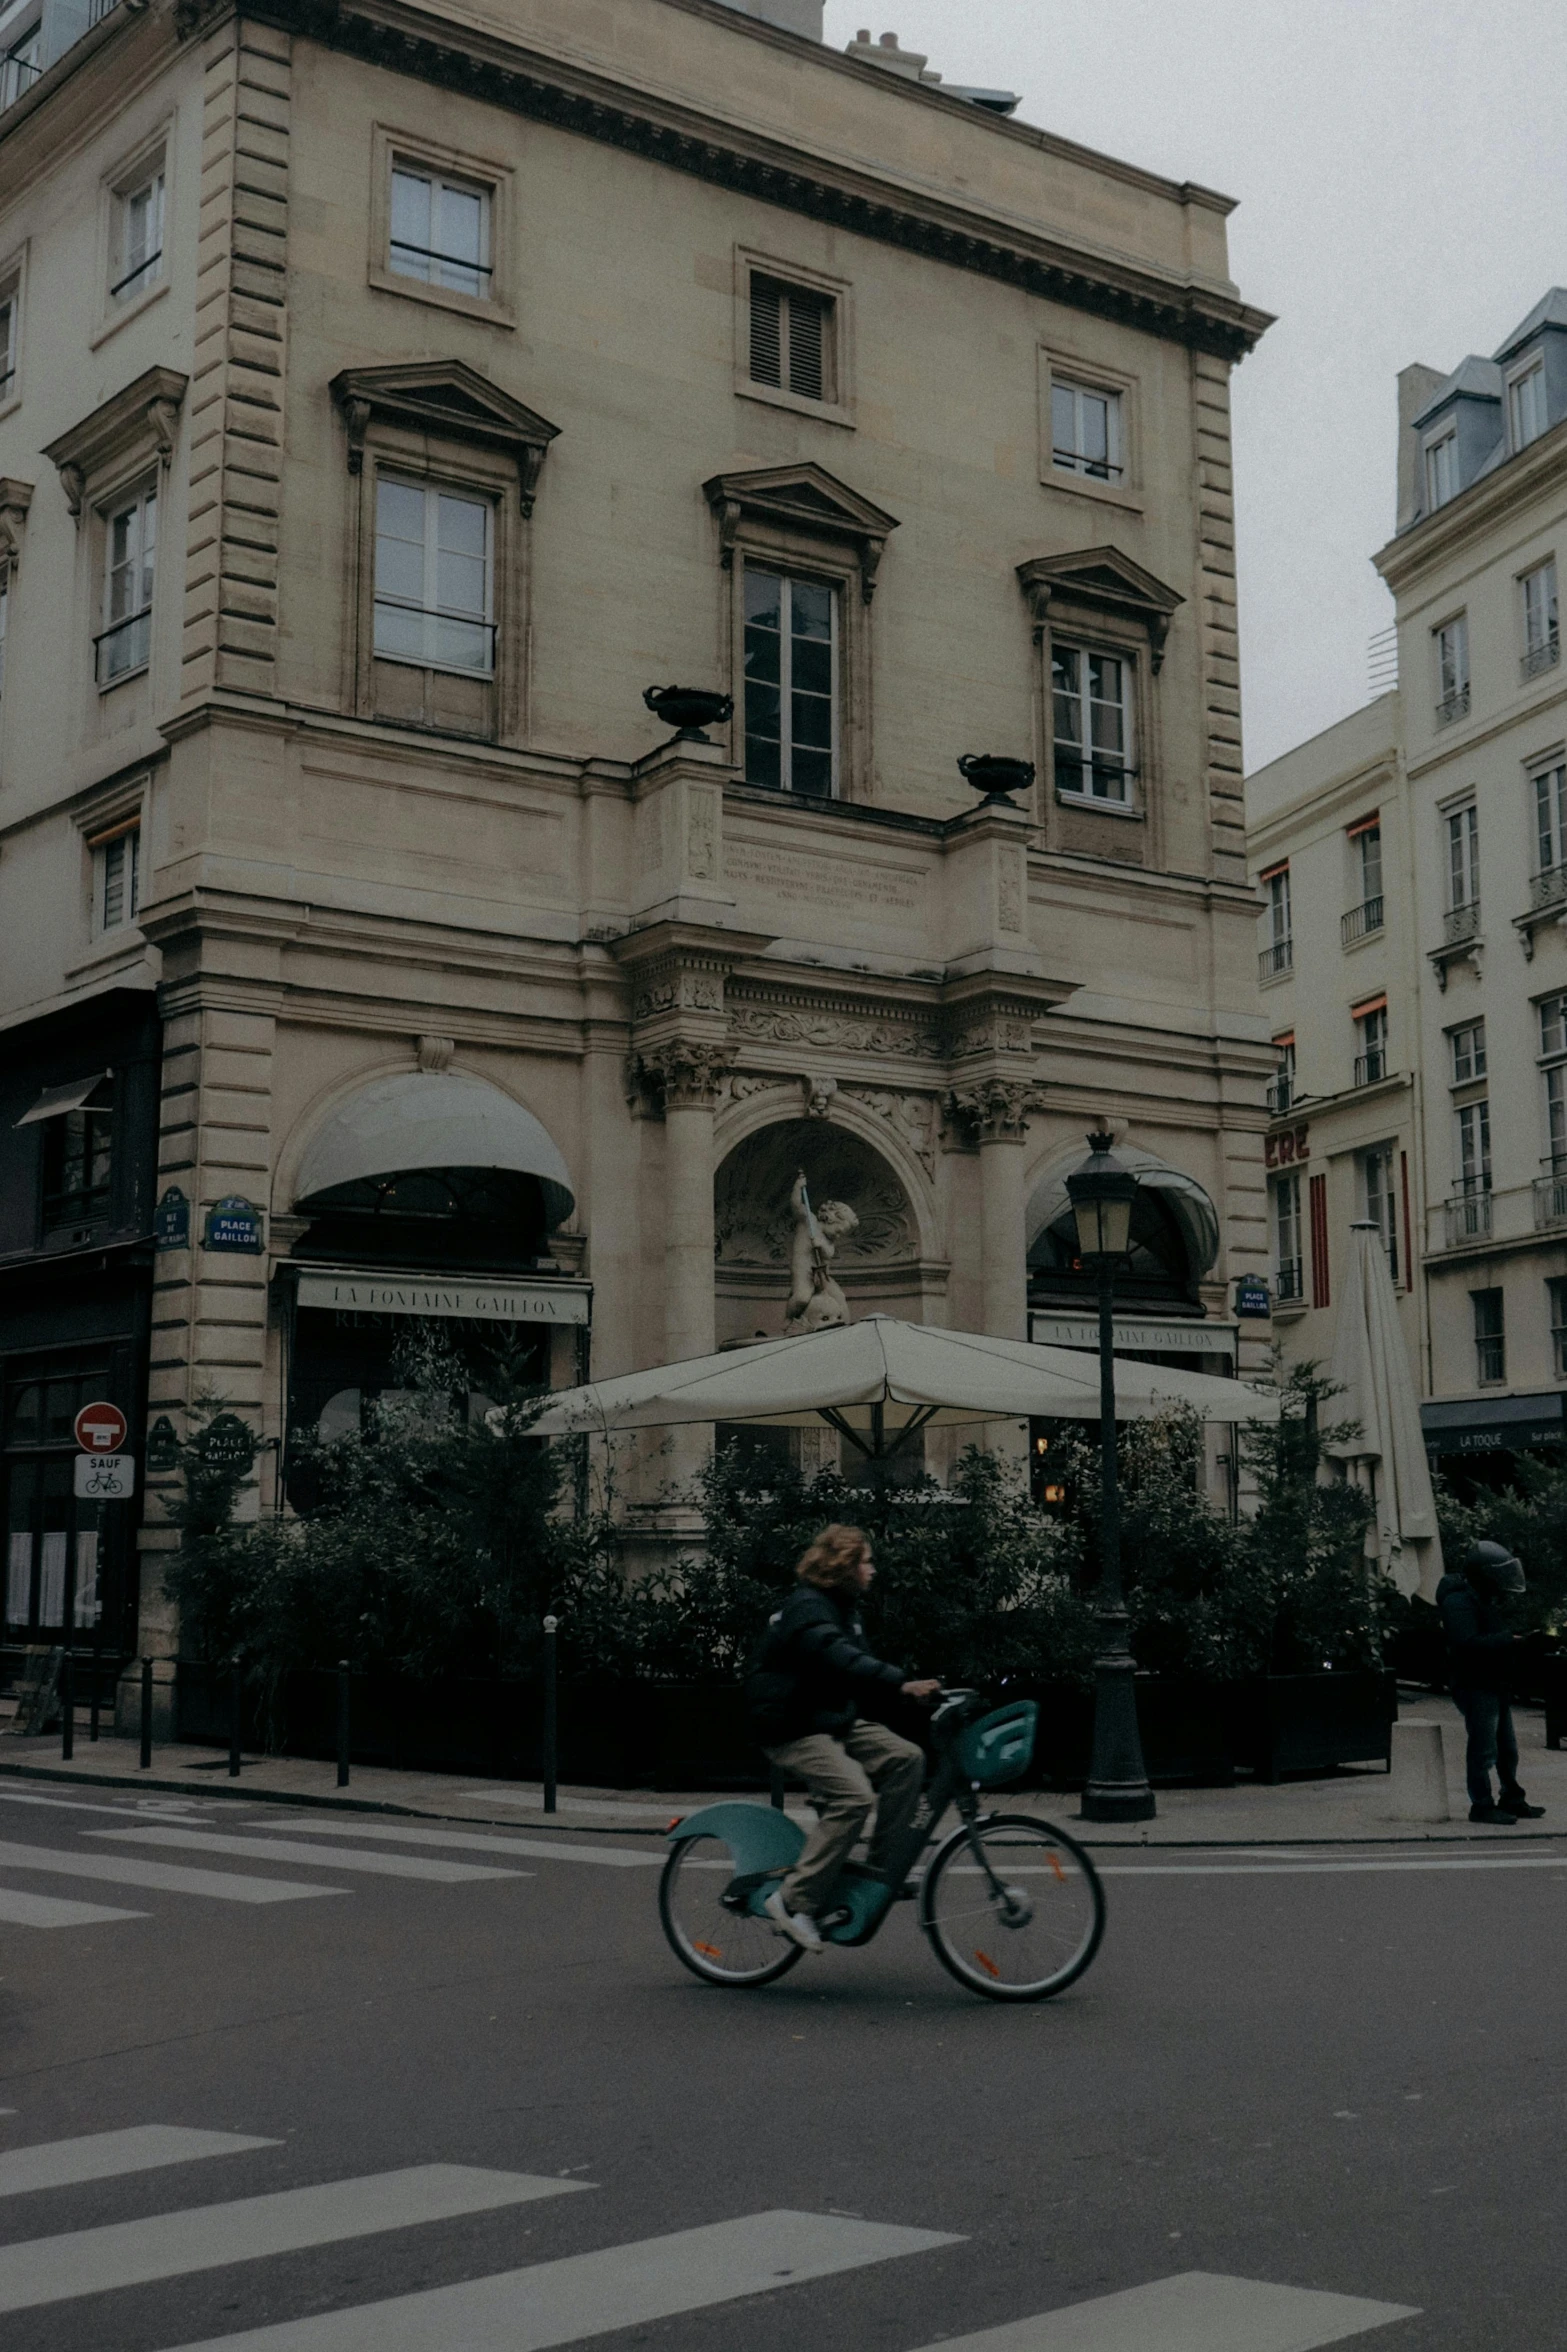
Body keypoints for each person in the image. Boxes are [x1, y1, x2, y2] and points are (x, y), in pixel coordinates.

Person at [746, 1522, 940, 1951]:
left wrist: (913, 1699)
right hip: (791, 1725)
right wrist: (901, 1683)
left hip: (829, 1719)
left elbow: (857, 1676)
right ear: (845, 1566)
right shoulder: (808, 1608)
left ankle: (883, 1871)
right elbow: (840, 1657)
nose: (873, 1570)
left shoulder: (843, 1609)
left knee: (906, 1758)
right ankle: (793, 1902)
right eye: (866, 1561)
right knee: (853, 1797)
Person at [1435, 1539, 1545, 1825]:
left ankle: (1512, 1798)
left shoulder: (1477, 1597)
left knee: (1506, 1749)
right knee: (1485, 1749)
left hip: (1492, 1682)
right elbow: (1466, 1643)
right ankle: (1482, 1805)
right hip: (1475, 1684)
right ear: (1484, 1575)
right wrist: (1511, 1640)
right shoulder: (1459, 1601)